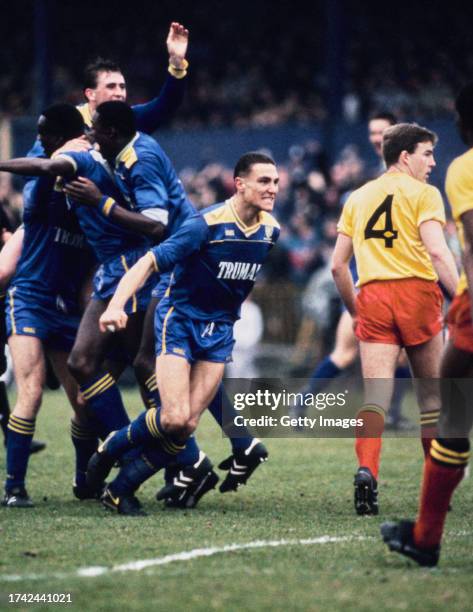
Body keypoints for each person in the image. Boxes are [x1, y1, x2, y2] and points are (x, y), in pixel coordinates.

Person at [85, 152, 280, 515]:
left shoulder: (271, 232)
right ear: (240, 184)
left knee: (185, 425)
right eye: (264, 181)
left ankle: (118, 490)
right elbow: (148, 262)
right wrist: (116, 306)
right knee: (173, 417)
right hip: (179, 321)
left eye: (276, 182)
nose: (273, 189)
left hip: (219, 331)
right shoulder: (204, 224)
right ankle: (111, 446)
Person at [332, 123, 459, 516]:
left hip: (373, 295)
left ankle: (367, 470)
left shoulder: (358, 196)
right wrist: (462, 297)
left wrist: (358, 312)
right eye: (427, 154)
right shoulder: (424, 194)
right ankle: (433, 488)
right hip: (417, 294)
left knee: (376, 398)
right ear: (405, 156)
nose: (433, 163)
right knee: (432, 399)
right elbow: (438, 254)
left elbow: (338, 267)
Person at [381, 84, 473, 566]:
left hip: (414, 297)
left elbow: (461, 246)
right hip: (414, 296)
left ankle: (427, 535)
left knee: (448, 407)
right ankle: (425, 535)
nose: (434, 160)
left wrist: (464, 299)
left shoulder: (464, 169)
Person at [0, 104, 97, 507]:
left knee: (83, 403)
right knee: (32, 391)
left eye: (46, 135)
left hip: (67, 307)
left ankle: (82, 480)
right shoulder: (40, 183)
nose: (39, 140)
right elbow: (44, 172)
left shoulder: (91, 177)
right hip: (29, 298)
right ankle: (14, 488)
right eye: (37, 134)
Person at [294, 112, 412, 430]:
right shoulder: (371, 178)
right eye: (372, 132)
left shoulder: (404, 174)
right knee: (346, 351)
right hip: (369, 279)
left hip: (394, 278)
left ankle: (393, 415)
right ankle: (302, 403)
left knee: (400, 356)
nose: (376, 137)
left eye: (382, 131)